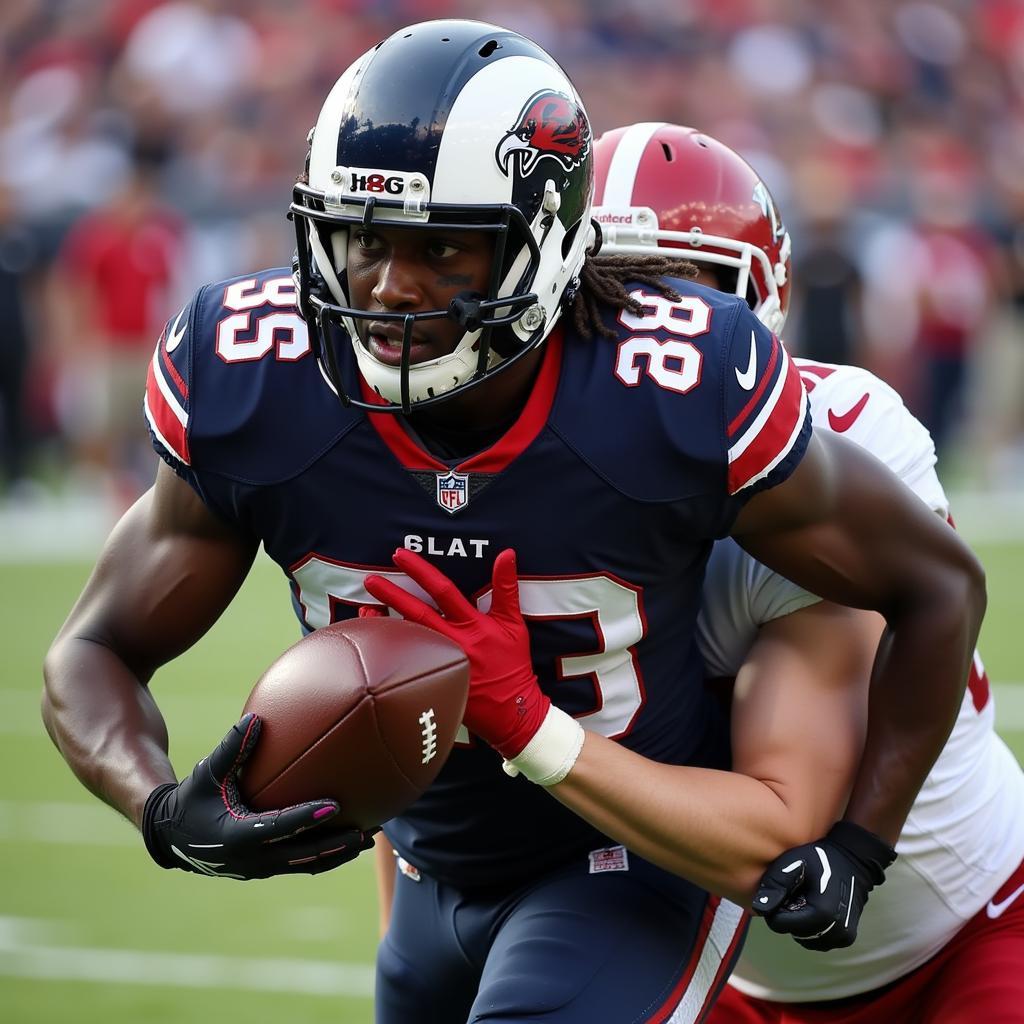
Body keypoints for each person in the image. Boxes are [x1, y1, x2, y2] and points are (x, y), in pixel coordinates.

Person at [42, 21, 984, 1024]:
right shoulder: (252, 377)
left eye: (442, 246)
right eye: (362, 238)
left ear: (548, 246)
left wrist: (860, 844)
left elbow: (937, 584)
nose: (391, 286)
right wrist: (156, 804)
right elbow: (92, 648)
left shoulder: (671, 387)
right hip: (423, 868)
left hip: (629, 863)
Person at [592, 121, 1024, 1022]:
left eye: (680, 292)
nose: (647, 327)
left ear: (760, 302)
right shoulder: (522, 467)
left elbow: (791, 817)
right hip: (722, 968)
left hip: (964, 930)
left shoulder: (838, 435)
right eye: (612, 294)